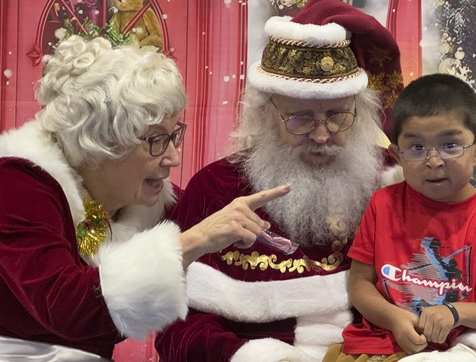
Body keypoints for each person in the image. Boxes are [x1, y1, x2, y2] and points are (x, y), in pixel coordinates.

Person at [0, 35, 290, 361]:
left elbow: (212, 212)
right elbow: (67, 307)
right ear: (100, 144)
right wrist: (195, 240)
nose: (173, 158)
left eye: (174, 136)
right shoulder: (18, 184)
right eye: (155, 140)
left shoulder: (142, 200)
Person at [155, 0, 405, 362]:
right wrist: (256, 357)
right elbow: (173, 326)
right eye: (300, 118)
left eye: (338, 116)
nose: (321, 136)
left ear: (361, 110)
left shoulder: (395, 181)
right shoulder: (217, 188)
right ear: (265, 114)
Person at [325, 73, 476, 362]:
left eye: (450, 145)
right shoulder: (383, 204)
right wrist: (394, 319)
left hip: (456, 350)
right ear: (398, 157)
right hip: (379, 344)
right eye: (416, 148)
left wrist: (456, 312)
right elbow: (360, 283)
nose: (433, 161)